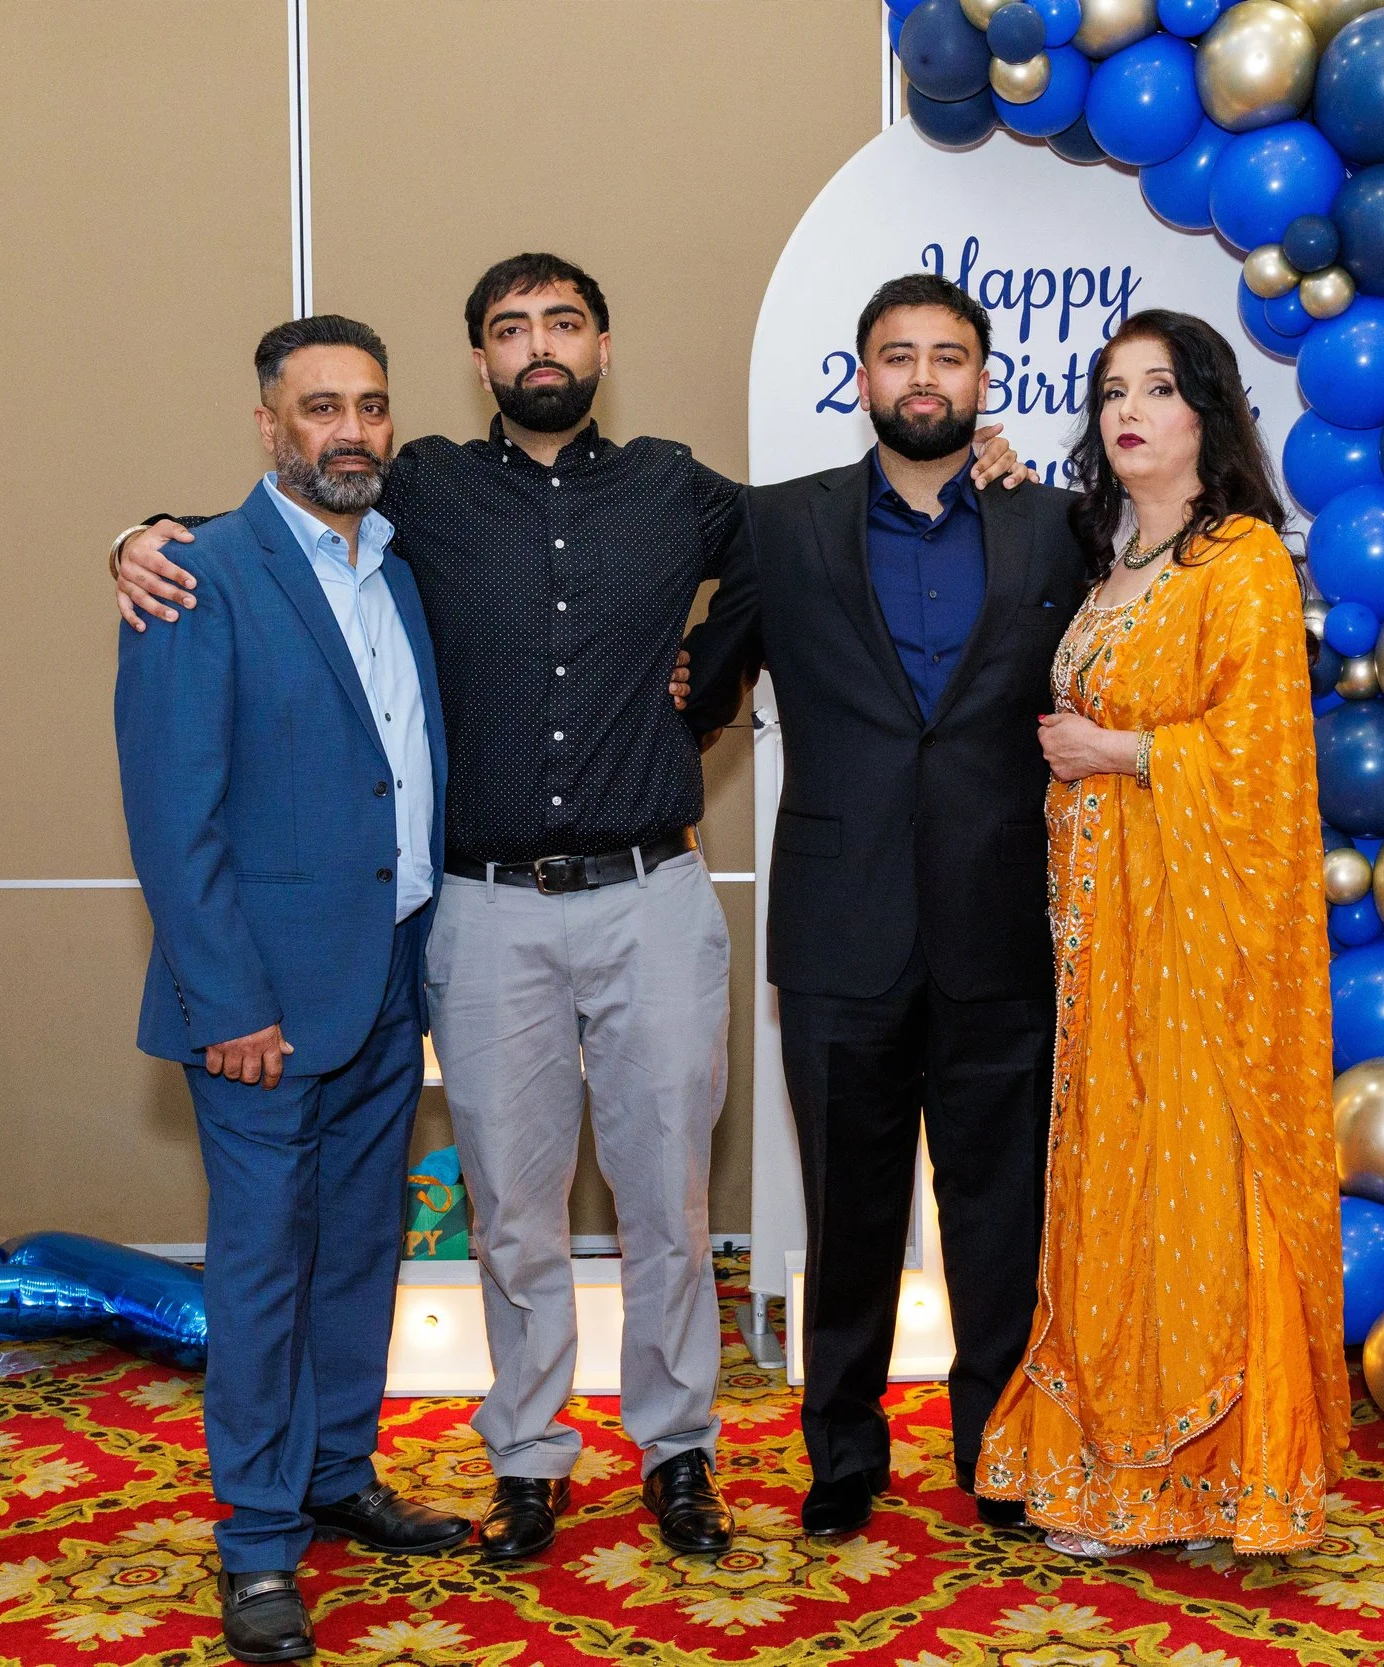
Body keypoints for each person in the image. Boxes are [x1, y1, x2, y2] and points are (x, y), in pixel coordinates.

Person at [109, 255, 1027, 1564]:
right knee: (514, 1207)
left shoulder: (677, 488)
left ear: (603, 343)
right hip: (486, 916)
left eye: (564, 323)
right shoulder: (416, 482)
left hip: (650, 895)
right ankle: (530, 1455)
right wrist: (141, 536)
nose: (539, 346)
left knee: (663, 1198)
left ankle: (678, 1449)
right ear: (478, 360)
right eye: (509, 329)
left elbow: (826, 528)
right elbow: (282, 524)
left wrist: (969, 471)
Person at [681, 274, 1088, 1538]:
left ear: (983, 379)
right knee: (846, 1211)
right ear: (861, 379)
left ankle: (999, 1451)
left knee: (1000, 1216)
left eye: (949, 357)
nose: (925, 377)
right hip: (838, 922)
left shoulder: (1056, 528)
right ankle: (843, 1455)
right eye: (899, 356)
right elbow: (698, 699)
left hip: (1003, 923)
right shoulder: (778, 525)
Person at [114, 315, 469, 1665]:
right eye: (321, 407)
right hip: (261, 1003)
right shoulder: (196, 574)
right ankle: (258, 1541)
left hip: (388, 973)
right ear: (269, 425)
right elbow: (172, 816)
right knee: (264, 1270)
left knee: (362, 1244)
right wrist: (226, 1005)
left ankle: (337, 1471)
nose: (351, 430)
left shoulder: (401, 561)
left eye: (371, 405)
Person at [973, 310, 1346, 1560]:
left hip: (1194, 940)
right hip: (1100, 940)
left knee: (1190, 1184)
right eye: (1110, 390)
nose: (1127, 409)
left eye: (1157, 388)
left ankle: (1212, 1477)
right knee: (1112, 1184)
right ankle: (1116, 1470)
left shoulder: (1236, 559)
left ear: (1206, 412)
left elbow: (1261, 759)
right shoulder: (1112, 556)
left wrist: (1126, 751)